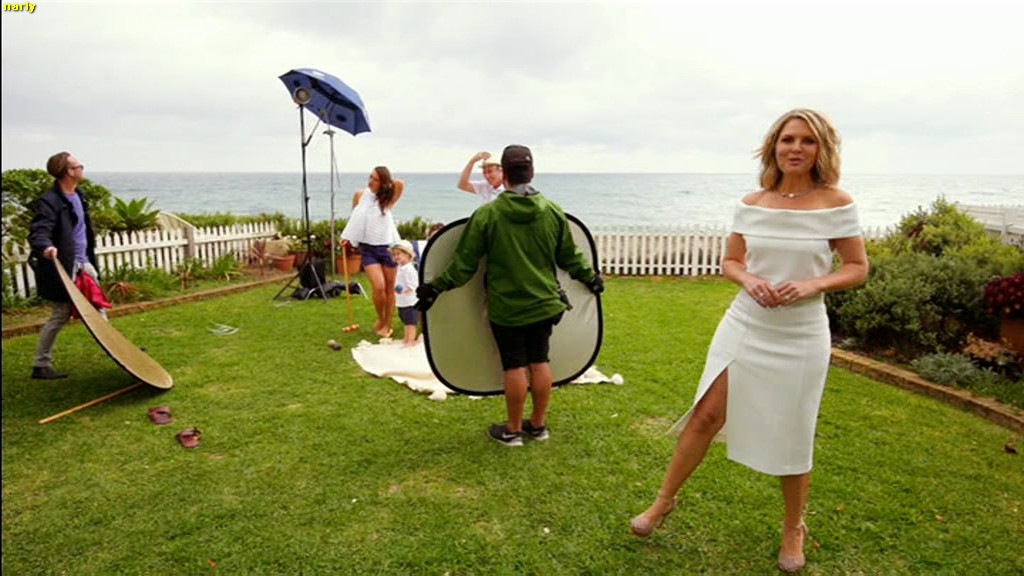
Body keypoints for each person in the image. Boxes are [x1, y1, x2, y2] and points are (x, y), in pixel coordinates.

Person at [628, 109, 869, 574]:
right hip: (746, 322)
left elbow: (857, 268)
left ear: (821, 149)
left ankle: (793, 527)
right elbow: (731, 262)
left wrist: (812, 284)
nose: (796, 148)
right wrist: (749, 279)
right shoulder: (753, 202)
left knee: (794, 430)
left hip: (801, 333)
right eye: (788, 139)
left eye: (807, 141)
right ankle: (662, 502)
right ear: (773, 146)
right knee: (706, 413)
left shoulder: (836, 203)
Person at [417, 145, 604, 446]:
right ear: (532, 173)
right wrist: (590, 277)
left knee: (514, 365)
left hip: (507, 308)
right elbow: (569, 256)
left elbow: (464, 265)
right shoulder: (553, 212)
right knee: (540, 360)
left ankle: (513, 430)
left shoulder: (487, 215)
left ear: (504, 175)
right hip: (545, 304)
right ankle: (538, 426)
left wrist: (436, 287)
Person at [27, 152, 102, 379]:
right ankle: (40, 364)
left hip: (83, 263)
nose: (82, 169)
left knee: (97, 306)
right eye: (79, 166)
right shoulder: (51, 201)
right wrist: (46, 247)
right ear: (69, 171)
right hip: (65, 266)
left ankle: (120, 352)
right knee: (60, 315)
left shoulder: (78, 195)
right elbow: (39, 231)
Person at [341, 166, 404, 338]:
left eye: (376, 179)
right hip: (368, 248)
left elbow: (399, 183)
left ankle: (387, 324)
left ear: (383, 182)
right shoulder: (360, 196)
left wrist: (386, 184)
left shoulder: (387, 199)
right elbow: (355, 220)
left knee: (389, 289)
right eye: (370, 177)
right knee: (379, 287)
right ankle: (381, 318)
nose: (371, 182)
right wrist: (348, 237)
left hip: (388, 248)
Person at [389, 240, 420, 347]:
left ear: (407, 254)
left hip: (410, 302)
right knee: (406, 321)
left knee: (411, 322)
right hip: (402, 301)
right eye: (394, 254)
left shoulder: (409, 269)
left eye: (398, 254)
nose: (396, 256)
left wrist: (402, 290)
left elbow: (413, 285)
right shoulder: (399, 268)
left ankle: (410, 340)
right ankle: (407, 338)